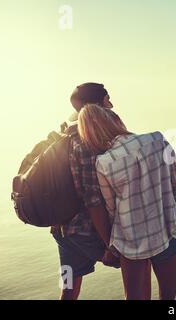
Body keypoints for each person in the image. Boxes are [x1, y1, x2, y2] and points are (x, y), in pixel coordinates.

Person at [77, 103, 176, 300]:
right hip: (167, 234)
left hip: (131, 244)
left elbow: (112, 210)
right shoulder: (157, 140)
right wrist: (163, 214)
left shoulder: (104, 162)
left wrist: (112, 246)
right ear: (116, 121)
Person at [52, 83, 120, 300]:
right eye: (107, 100)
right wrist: (109, 247)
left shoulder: (68, 132)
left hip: (62, 230)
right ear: (97, 106)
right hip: (84, 232)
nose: (111, 105)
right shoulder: (88, 144)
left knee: (69, 289)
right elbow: (93, 201)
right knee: (134, 261)